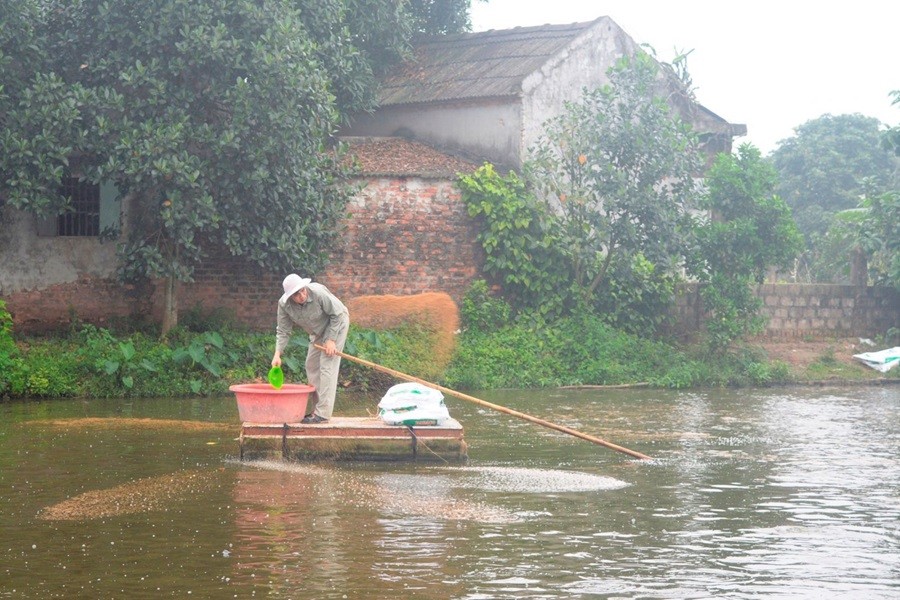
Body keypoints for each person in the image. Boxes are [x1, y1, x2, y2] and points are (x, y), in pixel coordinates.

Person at [271, 274, 349, 424]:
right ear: (290, 297)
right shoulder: (284, 305)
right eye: (296, 294)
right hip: (317, 331)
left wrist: (331, 340)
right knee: (311, 365)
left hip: (336, 324)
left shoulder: (318, 293)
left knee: (327, 365)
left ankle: (323, 414)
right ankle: (316, 410)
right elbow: (283, 330)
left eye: (302, 291)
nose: (301, 296)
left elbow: (338, 314)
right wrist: (277, 354)